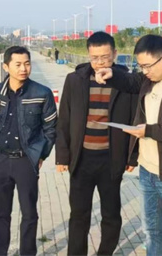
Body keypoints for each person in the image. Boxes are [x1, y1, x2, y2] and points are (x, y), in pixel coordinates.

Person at [95, 34, 162, 256]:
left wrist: (148, 131)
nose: (144, 71)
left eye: (147, 66)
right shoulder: (148, 79)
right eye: (141, 66)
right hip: (147, 171)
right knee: (152, 232)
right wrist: (112, 75)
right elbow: (129, 82)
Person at [55, 31, 138, 256]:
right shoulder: (75, 80)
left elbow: (135, 119)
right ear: (88, 55)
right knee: (78, 214)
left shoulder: (126, 82)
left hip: (111, 159)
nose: (100, 62)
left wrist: (132, 156)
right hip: (81, 159)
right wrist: (62, 156)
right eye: (95, 58)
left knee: (111, 214)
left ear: (115, 54)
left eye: (105, 57)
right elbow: (64, 119)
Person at [0, 46, 57, 256]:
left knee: (29, 214)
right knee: (0, 215)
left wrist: (40, 154)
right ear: (6, 67)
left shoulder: (42, 93)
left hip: (26, 161)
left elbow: (51, 128)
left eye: (27, 63)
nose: (24, 69)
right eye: (18, 64)